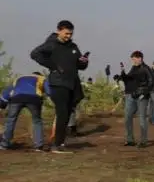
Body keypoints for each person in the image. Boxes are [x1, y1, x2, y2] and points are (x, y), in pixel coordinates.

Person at [30, 20, 89, 153]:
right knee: (62, 112)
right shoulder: (51, 44)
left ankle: (60, 143)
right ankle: (56, 145)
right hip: (58, 83)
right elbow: (34, 54)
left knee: (67, 113)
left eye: (71, 34)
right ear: (59, 30)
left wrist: (84, 61)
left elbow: (81, 66)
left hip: (72, 83)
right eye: (66, 33)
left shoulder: (73, 46)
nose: (69, 36)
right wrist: (54, 66)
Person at [0, 72, 51, 151]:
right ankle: (38, 145)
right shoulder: (42, 78)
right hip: (33, 99)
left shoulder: (19, 78)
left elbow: (7, 92)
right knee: (37, 121)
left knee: (10, 120)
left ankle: (4, 145)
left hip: (16, 98)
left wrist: (2, 104)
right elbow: (49, 91)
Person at [118, 51, 154, 148]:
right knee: (127, 117)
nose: (133, 61)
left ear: (140, 58)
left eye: (134, 59)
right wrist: (123, 76)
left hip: (141, 97)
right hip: (130, 95)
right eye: (132, 59)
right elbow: (130, 79)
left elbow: (151, 83)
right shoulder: (134, 67)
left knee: (142, 118)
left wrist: (143, 93)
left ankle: (143, 141)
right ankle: (130, 140)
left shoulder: (146, 69)